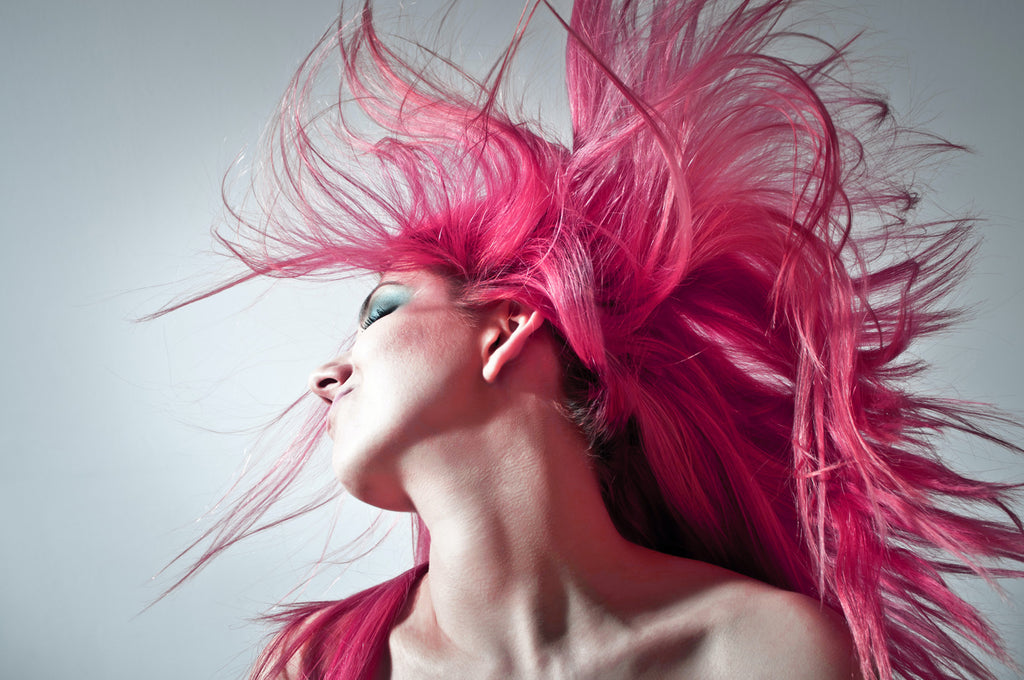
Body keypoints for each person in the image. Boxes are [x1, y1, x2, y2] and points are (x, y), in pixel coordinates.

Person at [158, 0, 1024, 678]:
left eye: (380, 311)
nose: (324, 374)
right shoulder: (317, 660)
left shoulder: (765, 654)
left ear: (505, 328)